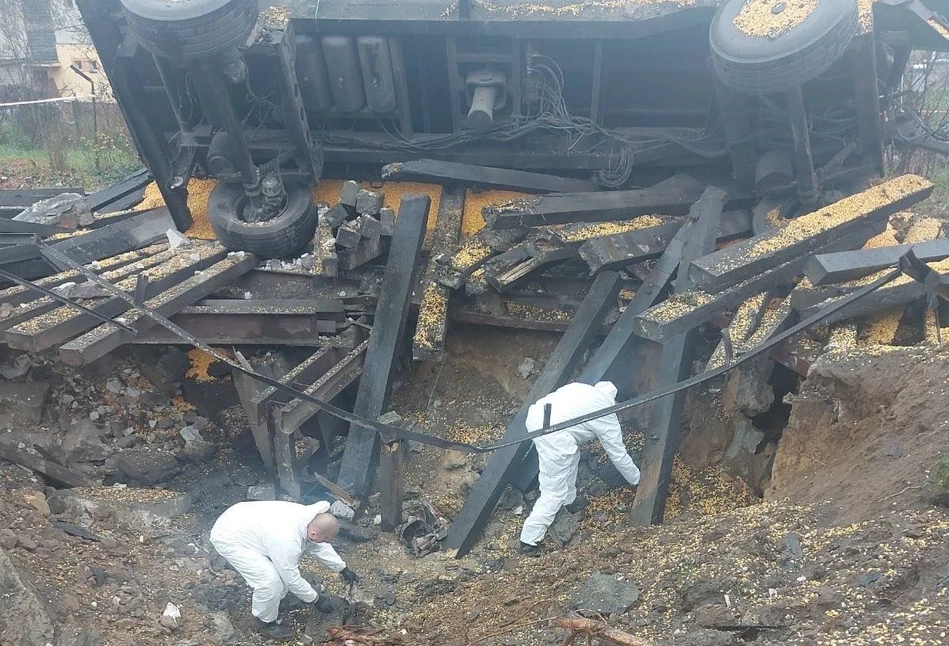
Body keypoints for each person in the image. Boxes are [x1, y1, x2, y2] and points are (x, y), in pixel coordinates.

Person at [519, 381, 641, 556]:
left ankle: (569, 501)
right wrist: (638, 480)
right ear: (616, 402)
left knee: (571, 454)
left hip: (537, 417)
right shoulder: (606, 413)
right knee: (553, 491)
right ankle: (528, 541)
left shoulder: (585, 388)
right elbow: (618, 455)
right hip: (554, 433)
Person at [209, 500, 360, 639]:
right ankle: (265, 621)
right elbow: (291, 578)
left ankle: (273, 602)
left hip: (245, 521)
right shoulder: (287, 540)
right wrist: (316, 599)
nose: (329, 542)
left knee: (278, 575)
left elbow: (320, 545)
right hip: (229, 536)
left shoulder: (309, 519)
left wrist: (342, 568)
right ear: (313, 534)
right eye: (327, 539)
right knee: (269, 580)